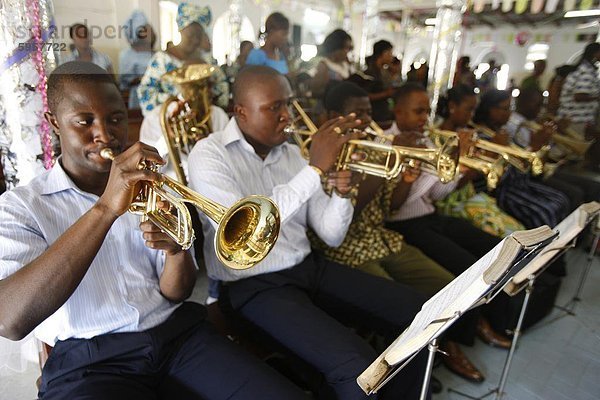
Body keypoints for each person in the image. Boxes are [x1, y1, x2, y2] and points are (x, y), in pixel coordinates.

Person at [0, 61, 308, 400]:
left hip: (175, 337)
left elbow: (177, 292)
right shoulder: (21, 207)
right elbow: (11, 321)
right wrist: (105, 209)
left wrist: (176, 253)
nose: (104, 134)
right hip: (89, 360)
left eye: (115, 119)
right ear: (54, 123)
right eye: (84, 122)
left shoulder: (154, 188)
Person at [188, 65, 429, 400]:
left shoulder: (291, 155)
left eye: (288, 104)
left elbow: (330, 235)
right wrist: (316, 169)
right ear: (240, 112)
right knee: (357, 366)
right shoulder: (208, 153)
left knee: (417, 312)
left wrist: (342, 193)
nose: (287, 116)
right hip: (250, 284)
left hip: (307, 267)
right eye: (274, 107)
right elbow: (251, 226)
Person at [310, 81, 491, 383]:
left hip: (382, 238)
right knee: (401, 306)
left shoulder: (374, 146)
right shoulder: (318, 156)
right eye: (357, 115)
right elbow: (346, 219)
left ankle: (445, 346)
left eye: (369, 114)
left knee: (447, 286)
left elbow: (391, 207)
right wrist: (385, 161)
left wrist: (406, 177)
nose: (366, 122)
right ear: (333, 115)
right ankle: (412, 367)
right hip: (343, 251)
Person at [382, 83, 513, 349]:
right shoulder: (383, 141)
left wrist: (461, 166)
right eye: (418, 112)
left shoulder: (426, 141)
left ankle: (497, 317)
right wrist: (448, 162)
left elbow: (439, 194)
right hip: (404, 226)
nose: (424, 119)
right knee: (466, 264)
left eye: (426, 112)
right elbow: (395, 203)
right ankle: (471, 328)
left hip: (431, 215)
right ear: (398, 113)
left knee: (493, 248)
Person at [436, 84, 525, 238]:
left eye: (473, 110)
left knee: (520, 231)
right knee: (509, 238)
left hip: (473, 197)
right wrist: (467, 160)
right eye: (468, 109)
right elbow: (447, 187)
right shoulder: (438, 139)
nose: (471, 116)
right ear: (452, 106)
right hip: (452, 203)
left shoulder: (467, 134)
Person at [473, 89, 570, 229]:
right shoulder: (481, 135)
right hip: (504, 190)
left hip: (521, 184)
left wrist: (539, 145)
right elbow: (503, 176)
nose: (509, 113)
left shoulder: (503, 132)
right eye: (505, 108)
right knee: (544, 213)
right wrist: (533, 147)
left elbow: (533, 170)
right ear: (490, 109)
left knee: (561, 200)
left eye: (510, 108)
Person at [137, 2, 229, 115]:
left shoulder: (207, 59)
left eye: (199, 36)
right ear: (180, 30)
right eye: (190, 35)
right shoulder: (161, 60)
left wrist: (209, 94)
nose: (195, 40)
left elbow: (222, 88)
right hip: (172, 120)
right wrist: (178, 100)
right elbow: (145, 92)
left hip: (204, 117)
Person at [557, 42, 600, 170]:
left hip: (575, 118)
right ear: (595, 54)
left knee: (570, 152)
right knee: (569, 152)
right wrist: (597, 97)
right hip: (575, 119)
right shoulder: (586, 71)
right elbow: (579, 96)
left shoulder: (585, 69)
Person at [348, 40, 396, 124]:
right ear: (384, 53)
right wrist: (386, 93)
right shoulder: (369, 73)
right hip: (373, 115)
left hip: (381, 113)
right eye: (390, 53)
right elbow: (364, 95)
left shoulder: (383, 72)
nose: (392, 56)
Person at [118, 10, 156, 109]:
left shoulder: (156, 54)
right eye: (147, 30)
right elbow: (125, 81)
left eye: (150, 29)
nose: (152, 32)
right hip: (138, 101)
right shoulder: (127, 55)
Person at [308, 29, 355, 99]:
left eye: (348, 48)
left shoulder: (347, 65)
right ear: (335, 47)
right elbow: (316, 90)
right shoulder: (323, 65)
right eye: (344, 48)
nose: (347, 51)